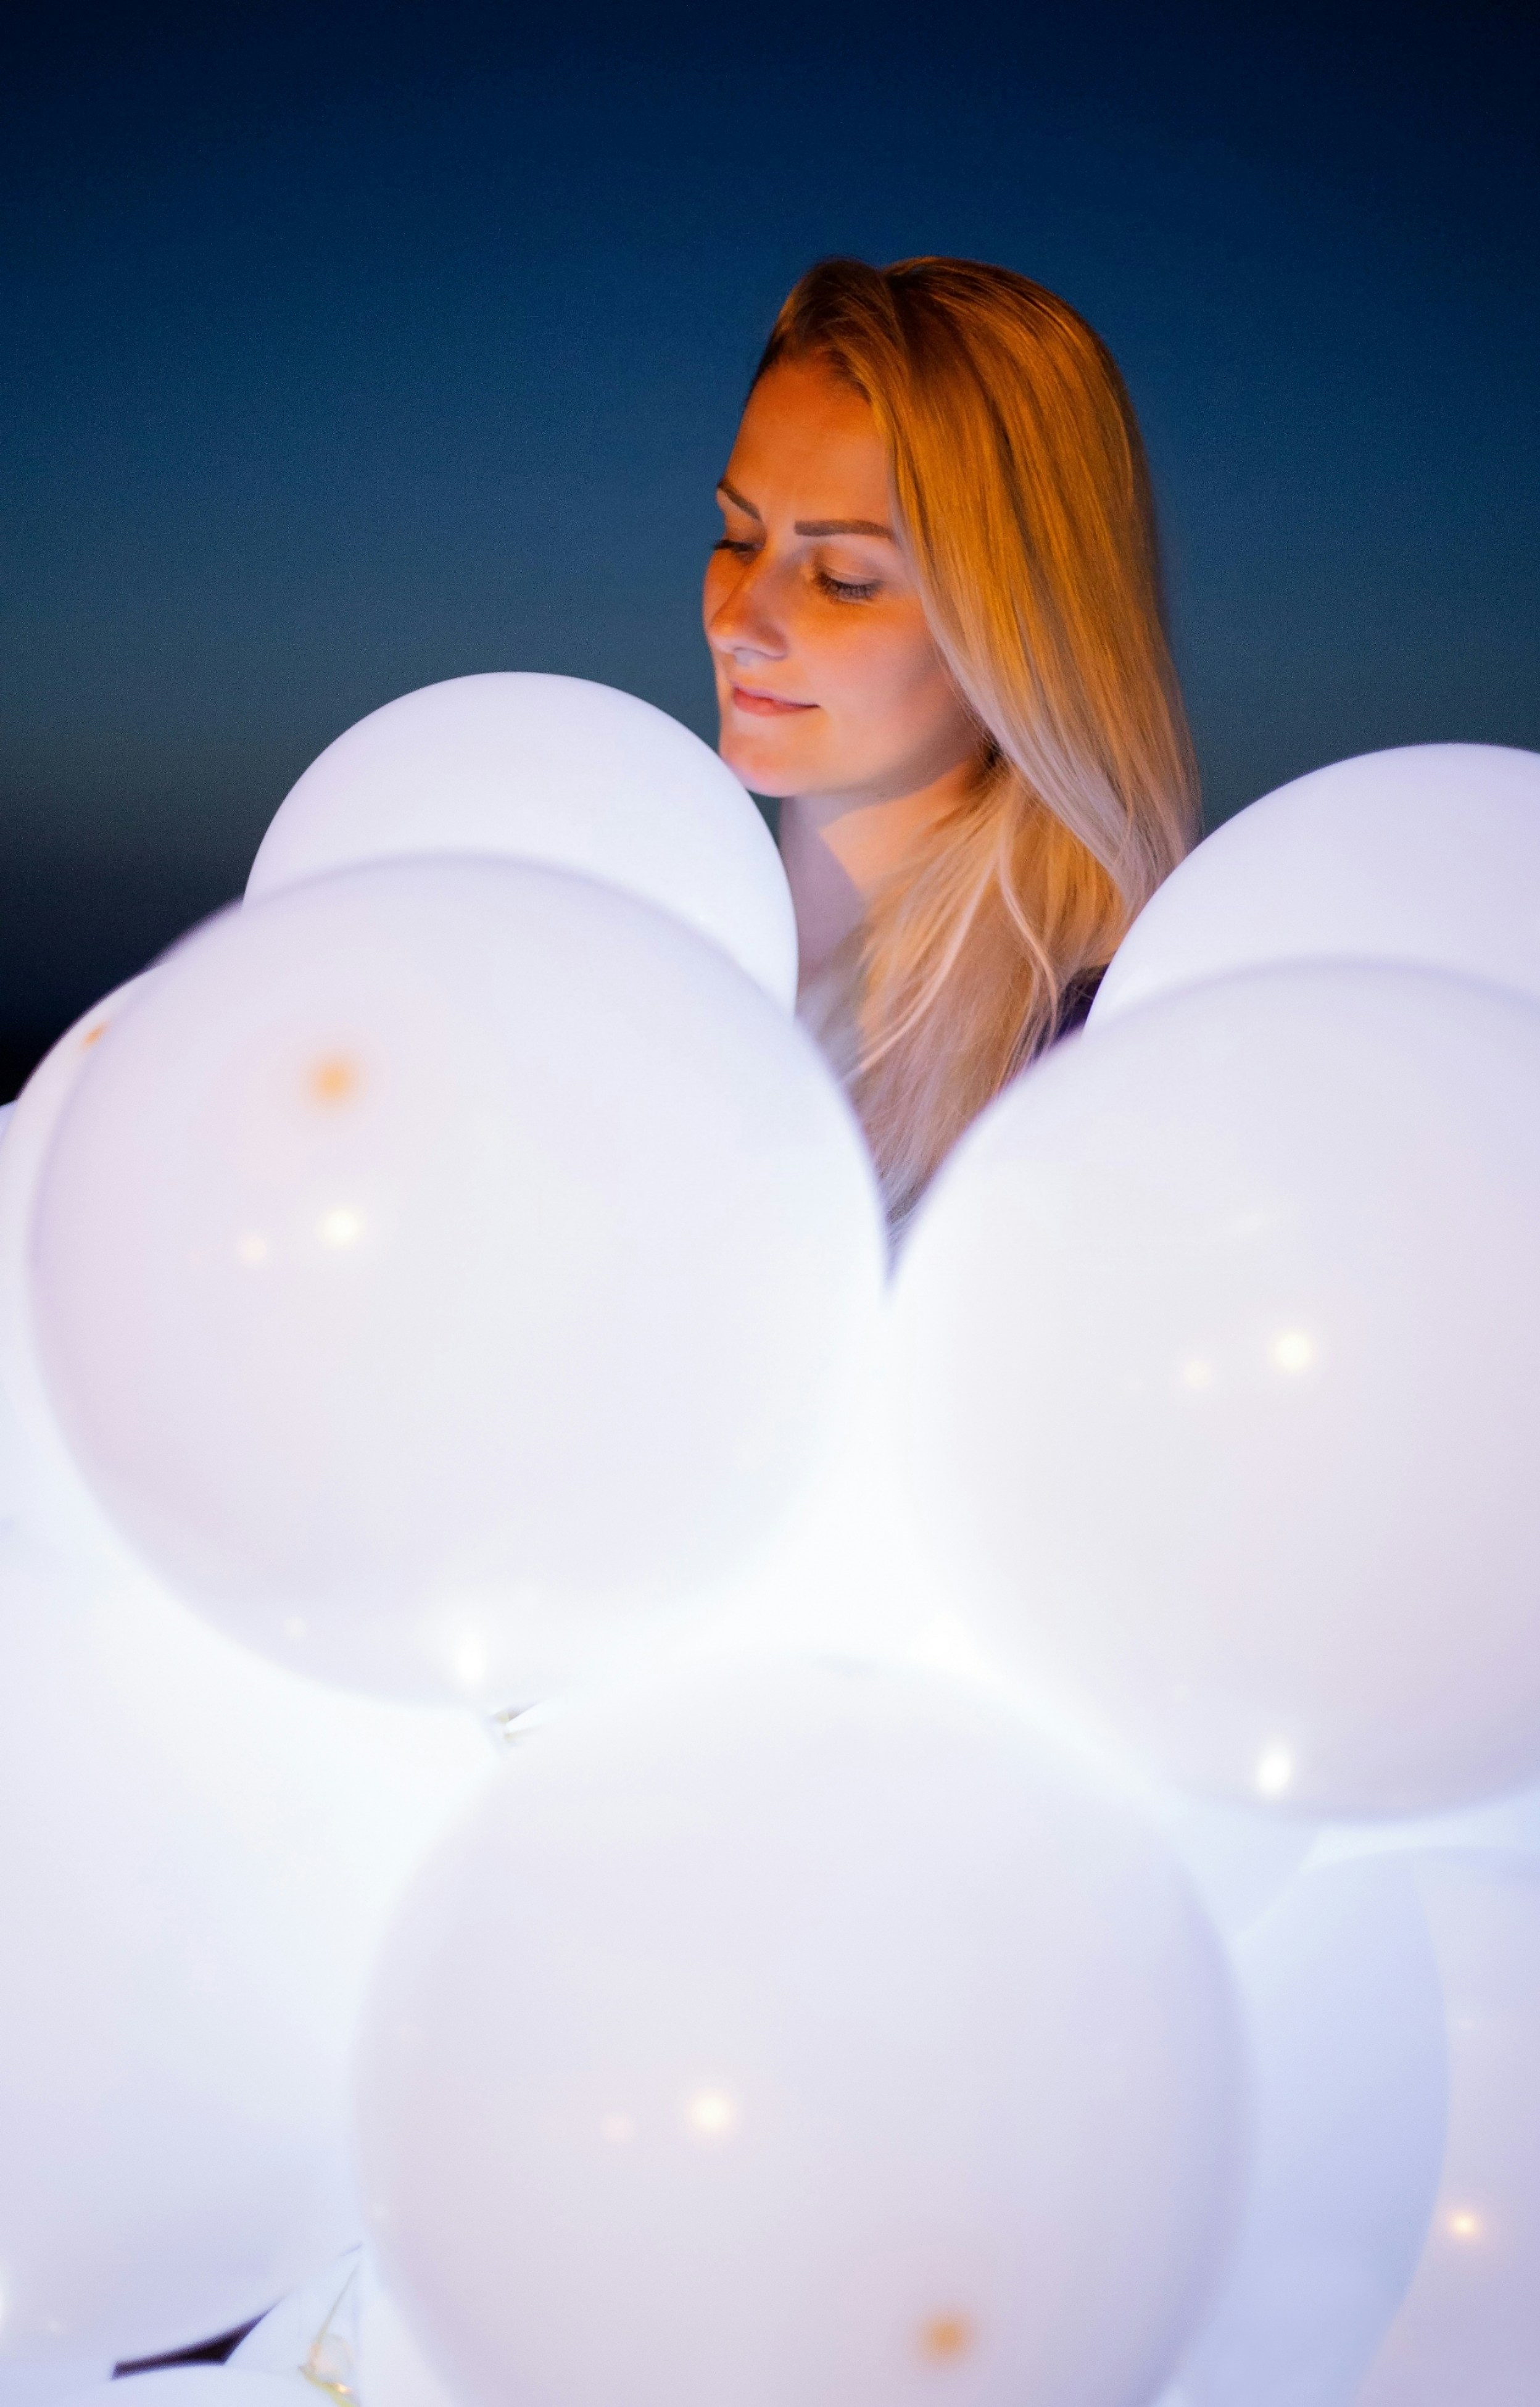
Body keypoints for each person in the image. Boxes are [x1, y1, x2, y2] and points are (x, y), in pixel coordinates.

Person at [703, 255, 1199, 1236]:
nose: (740, 620)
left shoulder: (1091, 1068)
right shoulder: (652, 976)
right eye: (737, 536)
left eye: (843, 577)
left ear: (1016, 630)